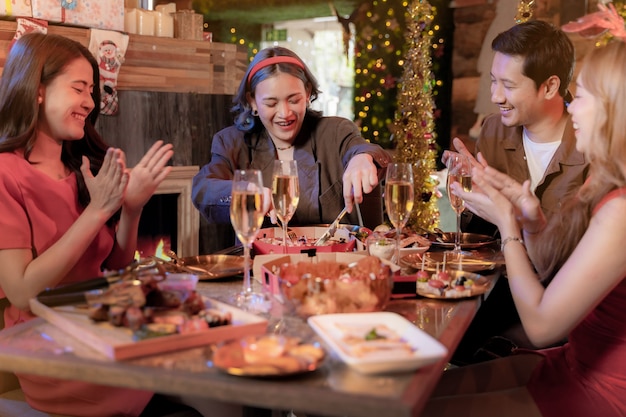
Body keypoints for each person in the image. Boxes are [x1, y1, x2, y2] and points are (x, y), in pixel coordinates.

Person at [0, 33, 232, 417]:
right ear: (37, 90)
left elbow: (114, 269)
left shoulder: (79, 166)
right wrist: (96, 212)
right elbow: (22, 291)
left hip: (101, 326)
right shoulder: (7, 173)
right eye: (79, 89)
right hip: (55, 352)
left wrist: (131, 208)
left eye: (92, 90)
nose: (90, 103)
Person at [423, 39, 626, 417]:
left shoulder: (621, 211)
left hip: (603, 389)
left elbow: (541, 327)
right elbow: (550, 267)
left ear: (615, 111)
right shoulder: (606, 180)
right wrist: (531, 218)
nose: (571, 106)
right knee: (415, 394)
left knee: (417, 408)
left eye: (580, 95)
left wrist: (509, 224)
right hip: (572, 361)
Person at [445, 20, 590, 364]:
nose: (495, 97)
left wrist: (510, 217)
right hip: (502, 287)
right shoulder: (495, 130)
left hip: (567, 299)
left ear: (550, 86)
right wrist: (470, 195)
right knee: (446, 344)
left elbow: (581, 255)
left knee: (478, 354)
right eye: (494, 81)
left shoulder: (592, 143)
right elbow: (480, 236)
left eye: (507, 85)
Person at [192, 46, 391, 230]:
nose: (284, 113)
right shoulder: (231, 142)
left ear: (307, 93)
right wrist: (244, 192)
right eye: (271, 103)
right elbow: (203, 190)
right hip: (260, 264)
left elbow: (361, 149)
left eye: (294, 100)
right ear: (252, 101)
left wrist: (362, 159)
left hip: (334, 263)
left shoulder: (336, 131)